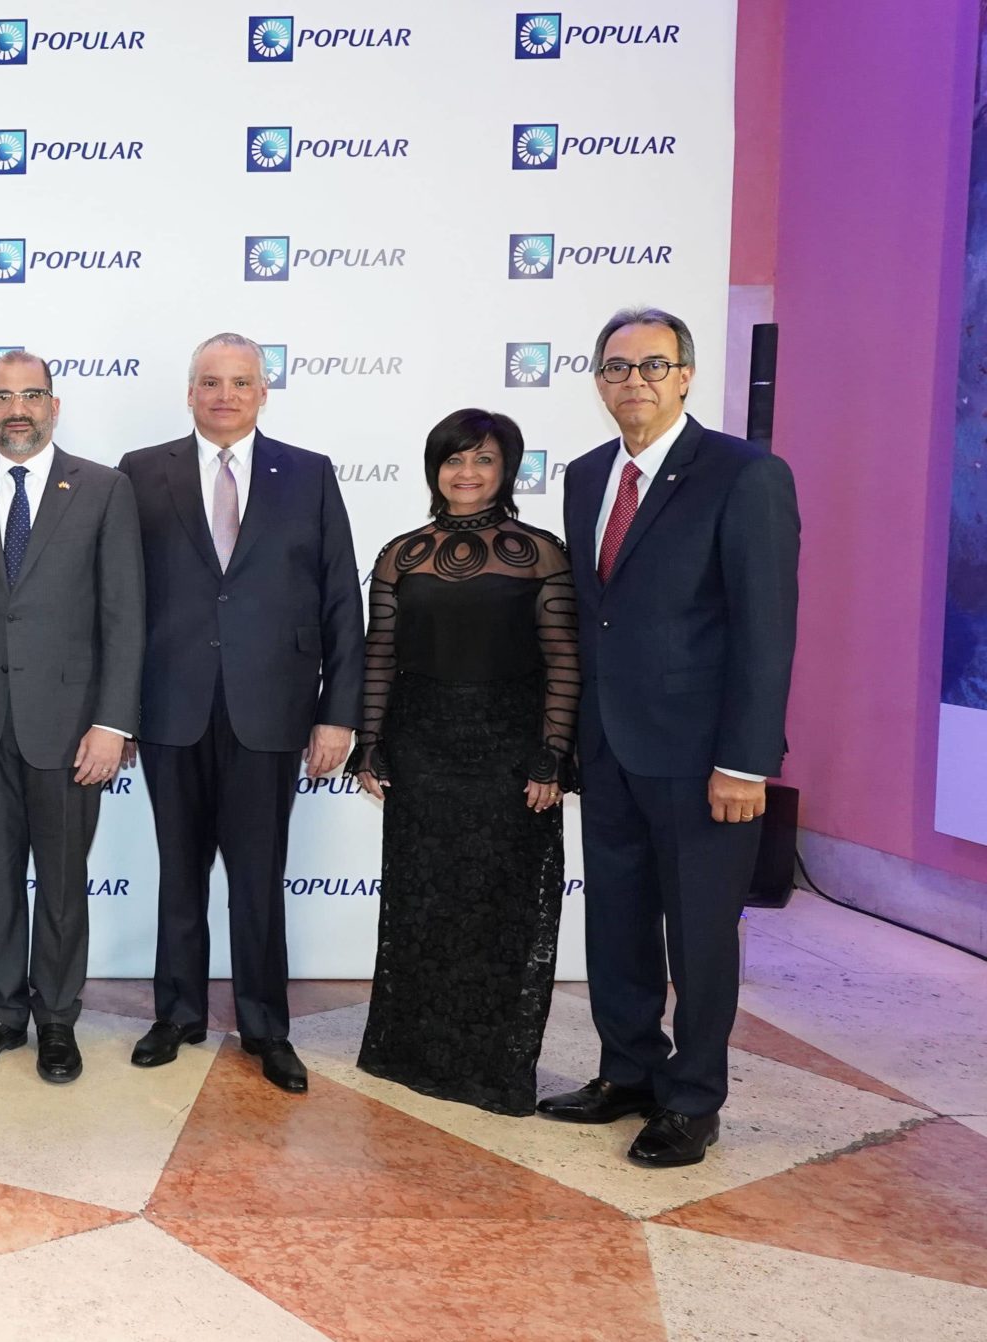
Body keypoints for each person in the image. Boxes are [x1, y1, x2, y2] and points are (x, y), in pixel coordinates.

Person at [537, 308, 799, 1168]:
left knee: (700, 934)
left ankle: (693, 1099)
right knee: (616, 920)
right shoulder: (587, 476)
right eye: (617, 367)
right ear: (599, 381)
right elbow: (596, 616)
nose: (634, 382)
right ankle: (629, 1071)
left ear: (685, 375)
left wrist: (745, 761)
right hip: (609, 746)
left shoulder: (744, 475)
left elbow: (766, 629)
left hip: (703, 757)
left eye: (653, 365)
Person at [119, 333, 363, 1094]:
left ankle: (266, 1026)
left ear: (263, 391)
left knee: (259, 878)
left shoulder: (309, 474)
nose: (224, 395)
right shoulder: (141, 472)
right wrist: (117, 713)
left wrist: (337, 714)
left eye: (240, 382)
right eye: (209, 382)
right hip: (170, 705)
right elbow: (119, 600)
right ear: (189, 391)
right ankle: (177, 1014)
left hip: (272, 709)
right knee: (179, 873)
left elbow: (340, 598)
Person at [351, 409, 578, 1115]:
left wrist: (551, 757)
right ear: (435, 469)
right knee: (423, 903)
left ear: (507, 470)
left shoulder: (541, 553)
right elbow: (380, 655)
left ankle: (491, 1066)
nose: (467, 473)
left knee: (502, 907)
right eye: (454, 459)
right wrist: (370, 742)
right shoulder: (400, 555)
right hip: (422, 748)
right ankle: (412, 1053)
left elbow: (564, 661)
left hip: (508, 752)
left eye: (483, 459)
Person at [0, 350, 145, 1085]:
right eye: (1, 396)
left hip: (72, 728)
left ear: (54, 406)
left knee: (59, 884)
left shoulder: (104, 488)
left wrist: (113, 722)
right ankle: (2, 1010)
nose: (15, 409)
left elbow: (125, 614)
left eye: (30, 395)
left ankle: (56, 1017)